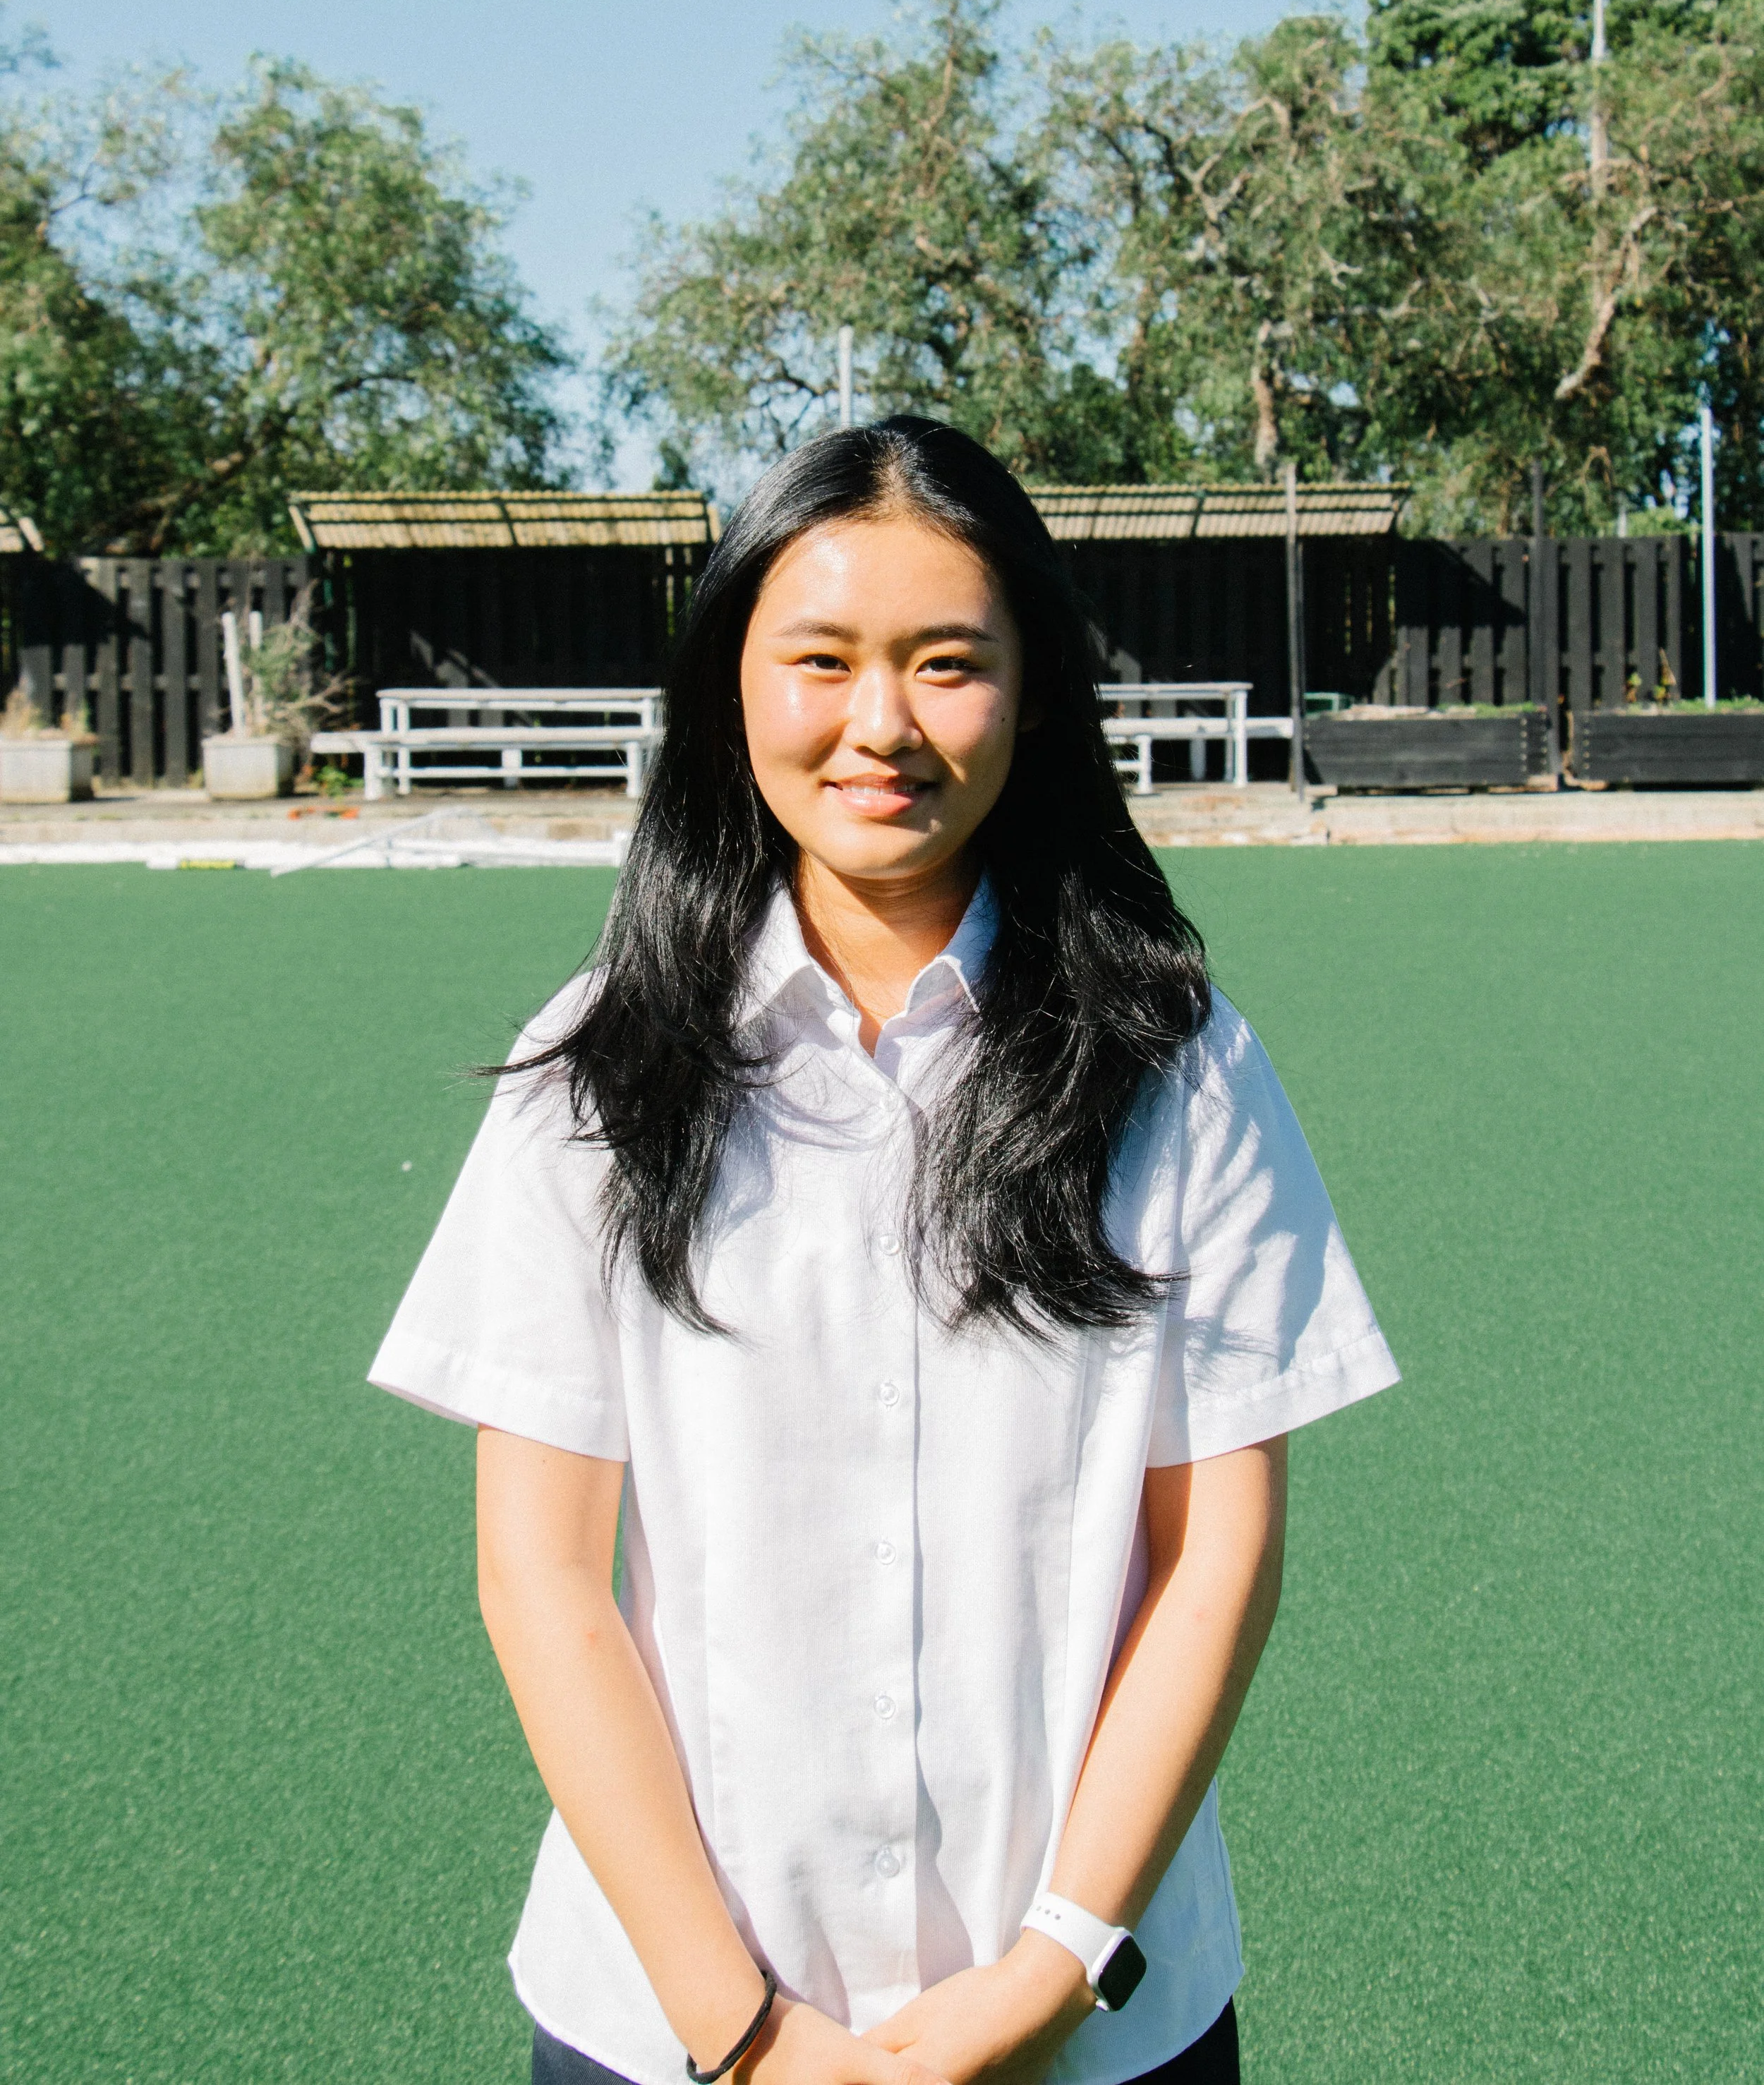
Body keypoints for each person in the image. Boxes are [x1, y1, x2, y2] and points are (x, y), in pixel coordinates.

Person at [369, 418, 1398, 2085]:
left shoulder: (1175, 1062)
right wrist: (741, 2028)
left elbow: (1213, 1558)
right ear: (728, 689)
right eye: (820, 660)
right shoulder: (602, 1066)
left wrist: (1052, 1967)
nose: (880, 726)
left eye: (946, 665)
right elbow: (542, 1577)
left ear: (1036, 693)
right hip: (668, 2022)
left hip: (1090, 2024)